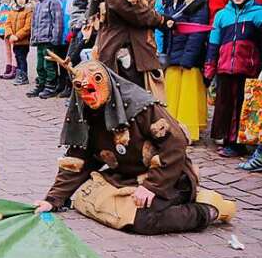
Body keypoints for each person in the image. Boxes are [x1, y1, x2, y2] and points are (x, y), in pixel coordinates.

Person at [33, 58, 235, 233]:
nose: (87, 91)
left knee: (141, 221)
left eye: (95, 81)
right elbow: (78, 161)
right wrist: (53, 200)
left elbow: (175, 144)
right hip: (127, 178)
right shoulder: (87, 114)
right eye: (80, 86)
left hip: (170, 178)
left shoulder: (141, 107)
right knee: (86, 200)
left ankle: (206, 210)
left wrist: (152, 186)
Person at [205, 0, 262, 157]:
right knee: (224, 105)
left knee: (242, 105)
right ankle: (225, 138)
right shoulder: (222, 15)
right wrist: (210, 65)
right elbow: (214, 41)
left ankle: (238, 143)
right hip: (225, 67)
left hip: (247, 68)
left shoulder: (258, 13)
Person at [161, 0, 210, 142]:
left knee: (188, 96)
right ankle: (171, 127)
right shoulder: (172, 3)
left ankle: (188, 131)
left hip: (188, 59)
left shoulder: (198, 4)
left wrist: (187, 59)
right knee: (172, 93)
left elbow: (196, 34)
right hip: (174, 54)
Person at [28, 0, 63, 98]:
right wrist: (33, 37)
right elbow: (34, 22)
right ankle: (41, 84)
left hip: (49, 40)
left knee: (49, 65)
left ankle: (51, 86)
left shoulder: (53, 2)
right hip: (39, 40)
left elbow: (57, 22)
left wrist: (55, 39)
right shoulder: (38, 4)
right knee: (40, 65)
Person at [6, 0, 33, 86]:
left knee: (22, 57)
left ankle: (23, 75)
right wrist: (10, 35)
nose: (20, 0)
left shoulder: (28, 11)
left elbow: (27, 27)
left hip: (23, 40)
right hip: (14, 40)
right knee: (17, 56)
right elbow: (7, 24)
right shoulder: (12, 10)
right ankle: (19, 73)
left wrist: (17, 36)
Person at [0, 0, 18, 78]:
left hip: (12, 31)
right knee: (7, 50)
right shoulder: (3, 4)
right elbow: (1, 18)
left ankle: (14, 68)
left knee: (14, 50)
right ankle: (8, 66)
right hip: (4, 30)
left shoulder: (15, 5)